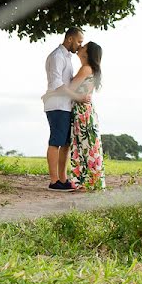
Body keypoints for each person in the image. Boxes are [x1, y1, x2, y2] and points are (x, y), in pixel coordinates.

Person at [41, 28, 90, 191]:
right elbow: (57, 85)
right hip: (57, 106)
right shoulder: (57, 56)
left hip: (65, 106)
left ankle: (63, 179)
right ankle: (54, 181)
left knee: (66, 143)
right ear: (69, 39)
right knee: (56, 142)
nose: (80, 45)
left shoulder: (67, 58)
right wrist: (78, 97)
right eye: (79, 41)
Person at [64, 42, 106, 190]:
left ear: (87, 53)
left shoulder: (86, 68)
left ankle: (87, 182)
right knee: (87, 144)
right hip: (86, 109)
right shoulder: (90, 69)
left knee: (84, 145)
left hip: (82, 110)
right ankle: (90, 181)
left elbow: (70, 88)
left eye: (84, 46)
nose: (80, 47)